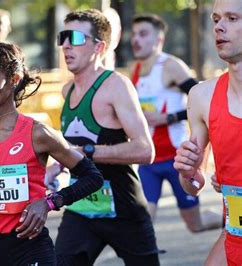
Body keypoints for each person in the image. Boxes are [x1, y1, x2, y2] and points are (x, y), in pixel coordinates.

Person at [0, 41, 104, 266]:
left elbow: (93, 177)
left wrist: (49, 202)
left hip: (31, 251)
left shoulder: (38, 134)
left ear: (14, 80)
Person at [52, 9, 160, 265]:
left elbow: (146, 150)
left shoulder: (116, 86)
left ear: (98, 47)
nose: (66, 45)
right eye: (63, 37)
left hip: (123, 207)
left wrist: (88, 152)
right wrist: (56, 166)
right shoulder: (67, 90)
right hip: (82, 205)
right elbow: (71, 148)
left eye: (76, 38)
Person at [131, 14, 221, 232]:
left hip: (177, 159)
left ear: (159, 40)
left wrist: (168, 118)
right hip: (149, 160)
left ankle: (230, 220)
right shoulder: (136, 70)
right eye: (133, 34)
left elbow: (202, 98)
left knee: (195, 225)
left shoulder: (171, 66)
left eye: (143, 34)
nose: (136, 40)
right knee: (144, 222)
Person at [174, 0, 242, 264]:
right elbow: (194, 186)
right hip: (234, 236)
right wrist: (188, 173)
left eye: (232, 19)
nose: (219, 27)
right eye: (216, 20)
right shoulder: (201, 96)